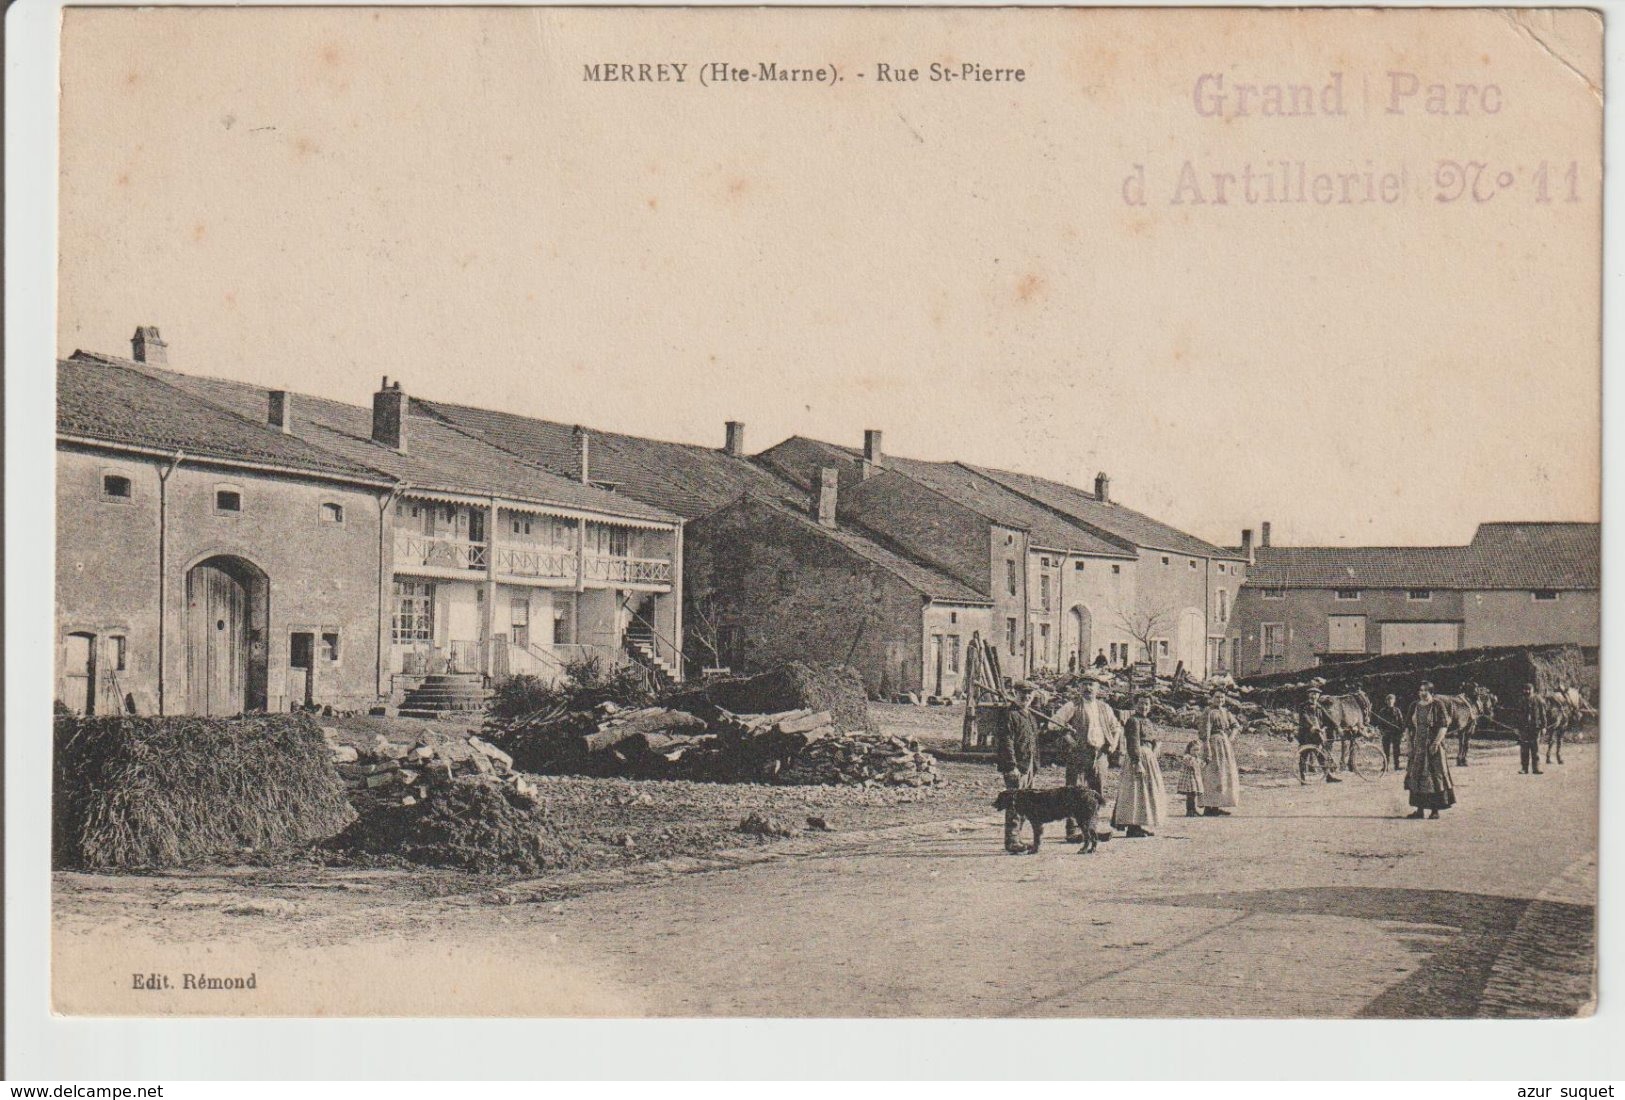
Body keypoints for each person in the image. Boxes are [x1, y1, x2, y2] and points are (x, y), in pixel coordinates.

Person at [1054, 679, 1123, 842]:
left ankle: (1091, 829)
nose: (1088, 688)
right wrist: (1067, 736)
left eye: (1092, 685)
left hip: (1100, 755)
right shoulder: (1072, 706)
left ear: (1098, 688)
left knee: (1096, 793)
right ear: (1079, 688)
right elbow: (1054, 724)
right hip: (1079, 754)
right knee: (1073, 791)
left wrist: (1112, 744)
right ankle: (1072, 830)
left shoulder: (1105, 708)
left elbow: (1117, 727)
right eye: (1084, 685)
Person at [1112, 695, 1167, 838]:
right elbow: (1133, 743)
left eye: (1147, 704)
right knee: (1135, 791)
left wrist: (1155, 747)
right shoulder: (1133, 721)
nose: (1144, 707)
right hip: (1138, 758)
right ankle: (1132, 826)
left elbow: (1155, 738)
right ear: (1135, 704)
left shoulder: (1148, 721)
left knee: (1146, 792)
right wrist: (1137, 762)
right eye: (1141, 704)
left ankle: (1140, 824)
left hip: (1149, 757)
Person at [997, 681, 1041, 853]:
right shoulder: (1009, 715)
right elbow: (1006, 743)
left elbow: (1035, 742)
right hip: (1016, 767)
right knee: (1015, 804)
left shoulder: (1030, 715)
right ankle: (1012, 840)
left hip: (1029, 766)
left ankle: (1018, 838)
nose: (1026, 697)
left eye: (1030, 694)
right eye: (1022, 693)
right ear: (1014, 693)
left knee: (1025, 803)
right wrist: (1011, 766)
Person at [1404, 681, 1456, 819]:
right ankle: (1419, 810)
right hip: (1418, 747)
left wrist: (1436, 743)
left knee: (1434, 776)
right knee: (1417, 775)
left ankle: (1434, 810)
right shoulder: (1414, 706)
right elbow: (1408, 727)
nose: (1422, 693)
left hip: (1433, 747)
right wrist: (1409, 744)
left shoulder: (1438, 705)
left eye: (1426, 690)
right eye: (1420, 690)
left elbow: (1443, 726)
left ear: (1431, 692)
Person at [1198, 691, 1241, 816]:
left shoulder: (1226, 712)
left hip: (1224, 744)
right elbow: (1204, 733)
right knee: (1212, 774)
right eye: (1217, 697)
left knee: (1223, 774)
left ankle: (1218, 805)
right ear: (1212, 698)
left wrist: (1231, 738)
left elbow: (1236, 726)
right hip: (1213, 743)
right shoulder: (1208, 712)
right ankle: (1208, 806)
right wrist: (1207, 748)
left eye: (1222, 697)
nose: (1220, 699)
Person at [1297, 687, 1340, 783]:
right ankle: (1302, 778)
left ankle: (1328, 776)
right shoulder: (1303, 706)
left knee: (1321, 755)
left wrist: (1337, 727)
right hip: (1306, 734)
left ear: (1319, 696)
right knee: (1304, 756)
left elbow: (1328, 718)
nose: (1314, 696)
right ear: (1308, 695)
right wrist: (1311, 726)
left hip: (1317, 734)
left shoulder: (1320, 707)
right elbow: (1304, 717)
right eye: (1312, 694)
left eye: (1316, 694)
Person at [1513, 682, 1547, 775]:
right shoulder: (1521, 701)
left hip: (1535, 727)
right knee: (1524, 749)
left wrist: (1544, 726)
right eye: (1525, 689)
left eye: (1529, 689)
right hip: (1523, 728)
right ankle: (1524, 768)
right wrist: (1516, 727)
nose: (1527, 691)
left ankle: (1536, 768)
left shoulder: (1538, 700)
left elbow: (1543, 714)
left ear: (1533, 690)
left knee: (1535, 748)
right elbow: (1516, 715)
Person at [1373, 692, 1406, 771]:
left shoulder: (1397, 711)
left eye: (1391, 700)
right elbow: (1379, 724)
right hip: (1386, 733)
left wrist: (1402, 732)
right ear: (1386, 701)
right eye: (1388, 700)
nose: (1390, 702)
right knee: (1386, 751)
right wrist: (1382, 732)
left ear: (1394, 701)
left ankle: (1397, 766)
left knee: (1396, 751)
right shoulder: (1382, 711)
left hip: (1396, 733)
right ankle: (1385, 766)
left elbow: (1401, 722)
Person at [1174, 739, 1205, 818]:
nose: (1196, 752)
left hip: (1194, 779)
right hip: (1189, 779)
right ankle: (1190, 810)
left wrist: (1204, 762)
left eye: (1198, 750)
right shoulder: (1187, 757)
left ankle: (1193, 810)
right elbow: (1192, 764)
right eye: (1194, 750)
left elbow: (1200, 766)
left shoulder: (1196, 758)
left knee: (1194, 794)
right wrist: (1197, 760)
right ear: (1189, 749)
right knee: (1190, 795)